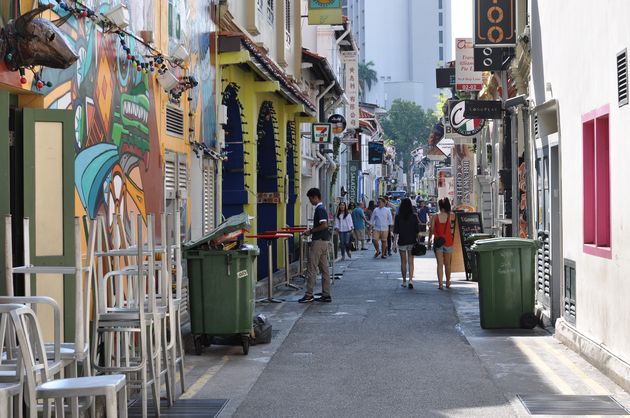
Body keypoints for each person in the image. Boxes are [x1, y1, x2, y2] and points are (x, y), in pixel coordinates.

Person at [299, 188, 332, 303]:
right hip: (324, 241)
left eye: (310, 198)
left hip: (318, 241)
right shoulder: (322, 209)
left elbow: (324, 225)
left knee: (312, 268)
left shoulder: (320, 209)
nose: (310, 201)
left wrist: (310, 231)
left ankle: (309, 294)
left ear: (315, 197)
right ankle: (326, 293)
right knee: (324, 269)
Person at [393, 198, 420, 289]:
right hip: (412, 241)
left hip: (402, 241)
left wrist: (394, 244)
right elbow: (417, 231)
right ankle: (411, 280)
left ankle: (404, 281)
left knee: (403, 262)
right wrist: (418, 239)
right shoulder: (414, 216)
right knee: (411, 262)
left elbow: (395, 231)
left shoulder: (398, 216)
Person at [428, 197, 455, 290]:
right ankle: (447, 282)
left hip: (438, 242)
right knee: (447, 264)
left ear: (439, 206)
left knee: (439, 264)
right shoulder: (450, 215)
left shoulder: (435, 216)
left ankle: (440, 284)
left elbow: (431, 230)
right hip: (448, 241)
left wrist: (429, 240)